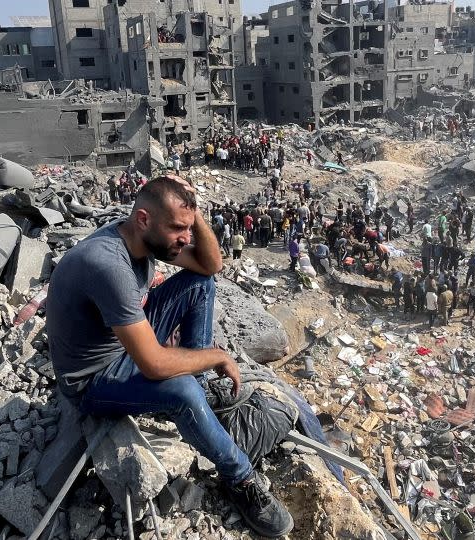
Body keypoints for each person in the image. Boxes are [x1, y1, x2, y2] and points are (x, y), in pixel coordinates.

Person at [45, 177, 293, 537]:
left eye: (187, 229)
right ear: (144, 219)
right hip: (92, 379)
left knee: (199, 284)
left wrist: (193, 211)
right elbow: (154, 364)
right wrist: (214, 356)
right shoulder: (108, 264)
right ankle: (240, 479)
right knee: (181, 391)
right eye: (178, 228)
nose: (185, 239)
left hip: (123, 343)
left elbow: (211, 267)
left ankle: (203, 394)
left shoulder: (145, 238)